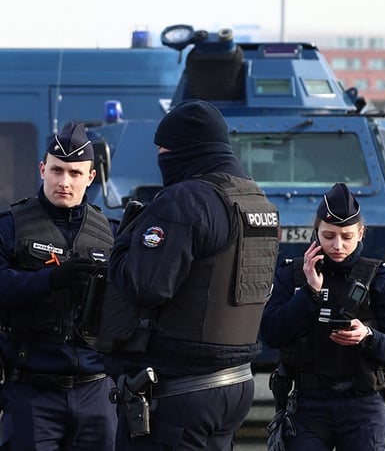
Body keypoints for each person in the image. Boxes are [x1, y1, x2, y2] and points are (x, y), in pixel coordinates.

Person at [97, 99, 280, 450]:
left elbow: (145, 285)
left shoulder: (186, 200)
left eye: (164, 147)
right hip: (235, 384)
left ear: (187, 148)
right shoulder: (257, 201)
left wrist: (123, 243)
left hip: (179, 391)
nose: (161, 155)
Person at [0, 122, 118, 451]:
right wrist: (49, 280)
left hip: (96, 389)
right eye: (56, 170)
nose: (64, 182)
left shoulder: (111, 233)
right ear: (42, 169)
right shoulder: (8, 228)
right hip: (32, 389)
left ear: (91, 177)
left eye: (74, 173)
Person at [260, 182, 385, 451]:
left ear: (361, 233)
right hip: (307, 404)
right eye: (329, 235)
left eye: (347, 236)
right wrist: (308, 293)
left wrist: (368, 337)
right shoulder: (292, 274)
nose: (338, 245)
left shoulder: (384, 279)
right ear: (316, 232)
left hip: (363, 405)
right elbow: (271, 334)